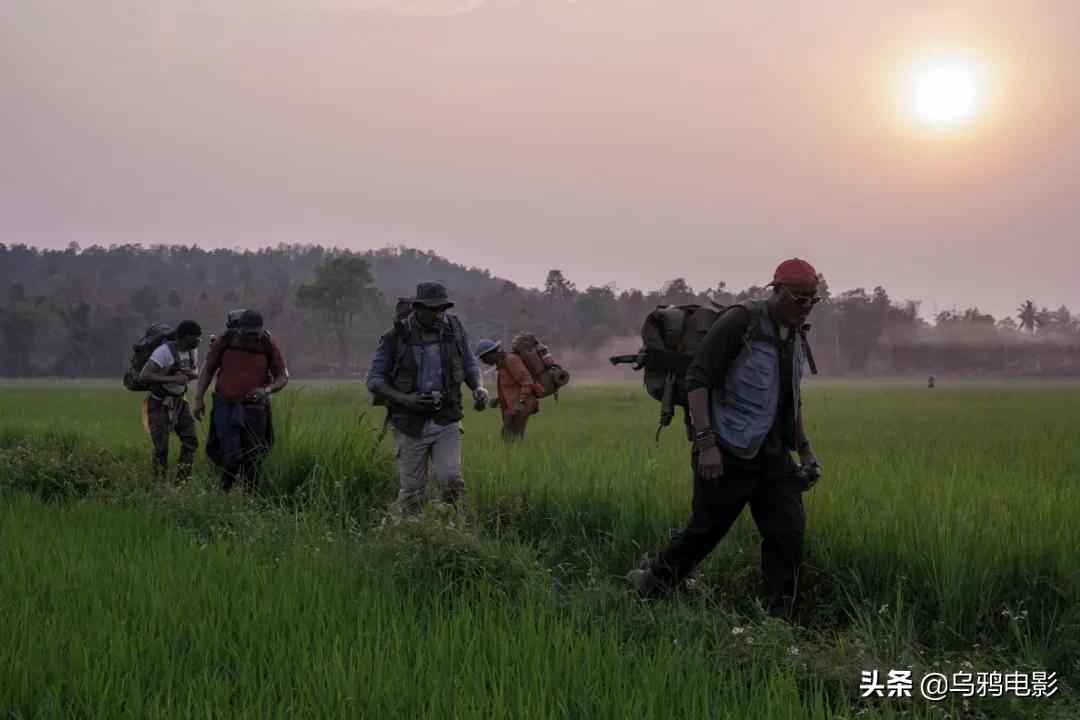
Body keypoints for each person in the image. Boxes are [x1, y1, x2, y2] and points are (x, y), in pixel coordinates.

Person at [629, 258, 824, 616]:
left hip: (774, 457)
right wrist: (706, 444)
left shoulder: (796, 334)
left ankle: (780, 620)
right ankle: (651, 585)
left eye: (813, 299)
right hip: (727, 450)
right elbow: (698, 379)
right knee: (705, 532)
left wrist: (806, 451)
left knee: (788, 536)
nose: (806, 306)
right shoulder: (741, 321)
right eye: (799, 298)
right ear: (776, 291)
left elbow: (791, 399)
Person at [367, 281, 489, 515]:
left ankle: (459, 531)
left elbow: (469, 364)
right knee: (413, 490)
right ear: (418, 307)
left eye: (442, 308)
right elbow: (374, 380)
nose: (438, 314)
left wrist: (479, 388)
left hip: (447, 418)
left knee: (451, 478)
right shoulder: (394, 337)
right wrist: (406, 399)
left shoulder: (454, 328)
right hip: (409, 424)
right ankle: (409, 538)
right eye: (433, 309)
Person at [193, 310, 289, 492]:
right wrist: (199, 398)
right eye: (248, 333)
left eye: (256, 334)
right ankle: (224, 492)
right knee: (231, 454)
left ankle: (250, 497)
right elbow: (208, 370)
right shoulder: (225, 341)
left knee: (254, 458)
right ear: (240, 329)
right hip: (226, 405)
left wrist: (265, 390)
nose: (252, 338)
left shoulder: (268, 345)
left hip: (255, 409)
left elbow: (282, 377)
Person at [138, 320, 202, 483]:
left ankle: (182, 482)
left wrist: (191, 374)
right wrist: (174, 378)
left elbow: (194, 371)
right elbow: (144, 376)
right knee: (161, 448)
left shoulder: (192, 351)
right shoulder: (163, 352)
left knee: (191, 441)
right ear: (185, 336)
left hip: (180, 401)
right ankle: (159, 484)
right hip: (159, 402)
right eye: (195, 336)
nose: (198, 340)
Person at [475, 338, 537, 442]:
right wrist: (499, 400)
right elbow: (512, 387)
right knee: (510, 438)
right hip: (513, 408)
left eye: (483, 358)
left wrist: (521, 402)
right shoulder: (501, 364)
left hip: (520, 407)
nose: (483, 361)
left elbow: (527, 380)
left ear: (490, 354)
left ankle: (518, 456)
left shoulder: (510, 360)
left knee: (510, 438)